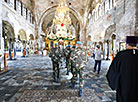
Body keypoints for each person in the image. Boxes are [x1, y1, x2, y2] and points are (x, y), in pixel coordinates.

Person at [106, 36, 138, 102]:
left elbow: (112, 71)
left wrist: (114, 84)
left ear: (127, 44)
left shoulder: (121, 55)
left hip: (124, 86)